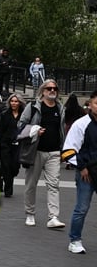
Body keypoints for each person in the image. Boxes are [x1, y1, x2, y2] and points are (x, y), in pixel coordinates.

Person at [18, 79, 66, 229]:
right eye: (49, 88)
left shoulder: (60, 108)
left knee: (54, 185)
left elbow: (62, 129)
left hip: (54, 152)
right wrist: (35, 131)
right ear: (43, 91)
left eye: (55, 88)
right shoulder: (33, 107)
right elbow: (21, 125)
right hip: (36, 151)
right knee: (31, 184)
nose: (52, 91)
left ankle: (53, 217)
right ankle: (30, 213)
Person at [61, 90, 97, 254]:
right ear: (90, 104)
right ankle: (75, 240)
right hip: (86, 173)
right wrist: (81, 167)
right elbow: (68, 150)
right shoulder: (81, 124)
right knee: (82, 208)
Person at [0, 94, 25, 197]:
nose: (14, 103)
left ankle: (6, 178)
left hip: (17, 145)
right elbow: (1, 130)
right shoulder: (5, 114)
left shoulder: (23, 115)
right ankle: (8, 190)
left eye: (16, 101)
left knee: (14, 167)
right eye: (12, 101)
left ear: (20, 103)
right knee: (6, 166)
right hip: (5, 143)